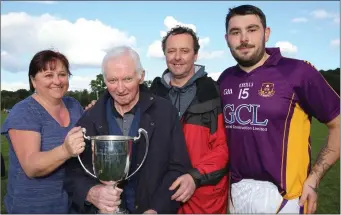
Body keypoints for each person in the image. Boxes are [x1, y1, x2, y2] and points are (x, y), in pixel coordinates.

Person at [218, 4, 340, 214]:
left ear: (266, 33)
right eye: (235, 32)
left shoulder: (297, 71)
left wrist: (314, 178)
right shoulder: (225, 79)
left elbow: (337, 124)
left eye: (252, 29)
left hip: (286, 198)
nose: (244, 38)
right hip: (236, 193)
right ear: (227, 38)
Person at [63, 46, 192, 214]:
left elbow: (178, 168)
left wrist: (157, 209)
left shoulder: (165, 112)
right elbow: (72, 173)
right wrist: (91, 193)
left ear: (141, 76)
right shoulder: (90, 118)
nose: (120, 88)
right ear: (104, 80)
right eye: (112, 81)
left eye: (127, 79)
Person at [150, 26, 229, 214]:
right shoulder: (152, 95)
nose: (177, 57)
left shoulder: (213, 93)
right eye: (171, 51)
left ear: (195, 55)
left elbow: (223, 149)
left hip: (203, 199)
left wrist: (195, 177)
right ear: (165, 54)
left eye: (184, 51)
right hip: (162, 197)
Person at [0, 50, 86, 213]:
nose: (57, 81)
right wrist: (65, 150)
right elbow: (31, 166)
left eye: (62, 74)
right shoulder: (24, 112)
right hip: (34, 207)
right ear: (33, 80)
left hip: (71, 203)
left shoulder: (74, 105)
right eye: (48, 75)